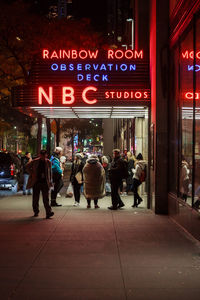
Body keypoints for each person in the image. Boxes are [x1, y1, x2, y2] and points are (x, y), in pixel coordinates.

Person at [26, 149, 54, 219]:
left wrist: (50, 181)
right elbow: (27, 166)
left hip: (45, 182)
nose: (43, 157)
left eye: (44, 155)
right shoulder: (35, 161)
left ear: (46, 155)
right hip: (36, 182)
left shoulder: (48, 162)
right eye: (42, 155)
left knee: (46, 198)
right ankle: (36, 211)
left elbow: (50, 172)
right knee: (35, 198)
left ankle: (48, 212)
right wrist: (32, 173)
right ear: (40, 155)